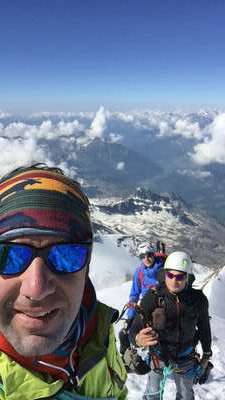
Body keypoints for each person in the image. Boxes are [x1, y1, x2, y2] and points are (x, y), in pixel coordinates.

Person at [0, 165, 127, 399]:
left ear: (87, 265)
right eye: (8, 255)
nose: (36, 289)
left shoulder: (98, 333)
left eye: (65, 255)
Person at [130, 251, 212, 400]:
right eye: (170, 275)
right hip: (159, 354)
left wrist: (207, 353)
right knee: (153, 392)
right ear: (165, 274)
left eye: (180, 276)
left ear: (187, 277)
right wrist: (136, 338)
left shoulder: (198, 300)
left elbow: (204, 327)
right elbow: (136, 324)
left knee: (186, 394)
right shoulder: (154, 296)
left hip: (185, 356)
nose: (175, 280)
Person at [119, 243, 164, 366]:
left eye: (149, 255)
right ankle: (127, 360)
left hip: (161, 306)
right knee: (124, 333)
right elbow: (134, 294)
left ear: (154, 254)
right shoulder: (139, 272)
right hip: (144, 307)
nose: (146, 259)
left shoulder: (163, 270)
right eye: (142, 256)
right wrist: (130, 317)